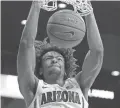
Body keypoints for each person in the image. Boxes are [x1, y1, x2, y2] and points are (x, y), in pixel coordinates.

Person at [17, 1, 104, 108]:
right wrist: (36, 6)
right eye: (49, 58)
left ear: (66, 68)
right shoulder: (33, 87)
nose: (54, 60)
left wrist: (88, 12)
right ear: (40, 69)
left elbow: (97, 52)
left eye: (59, 58)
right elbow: (26, 45)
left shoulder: (79, 84)